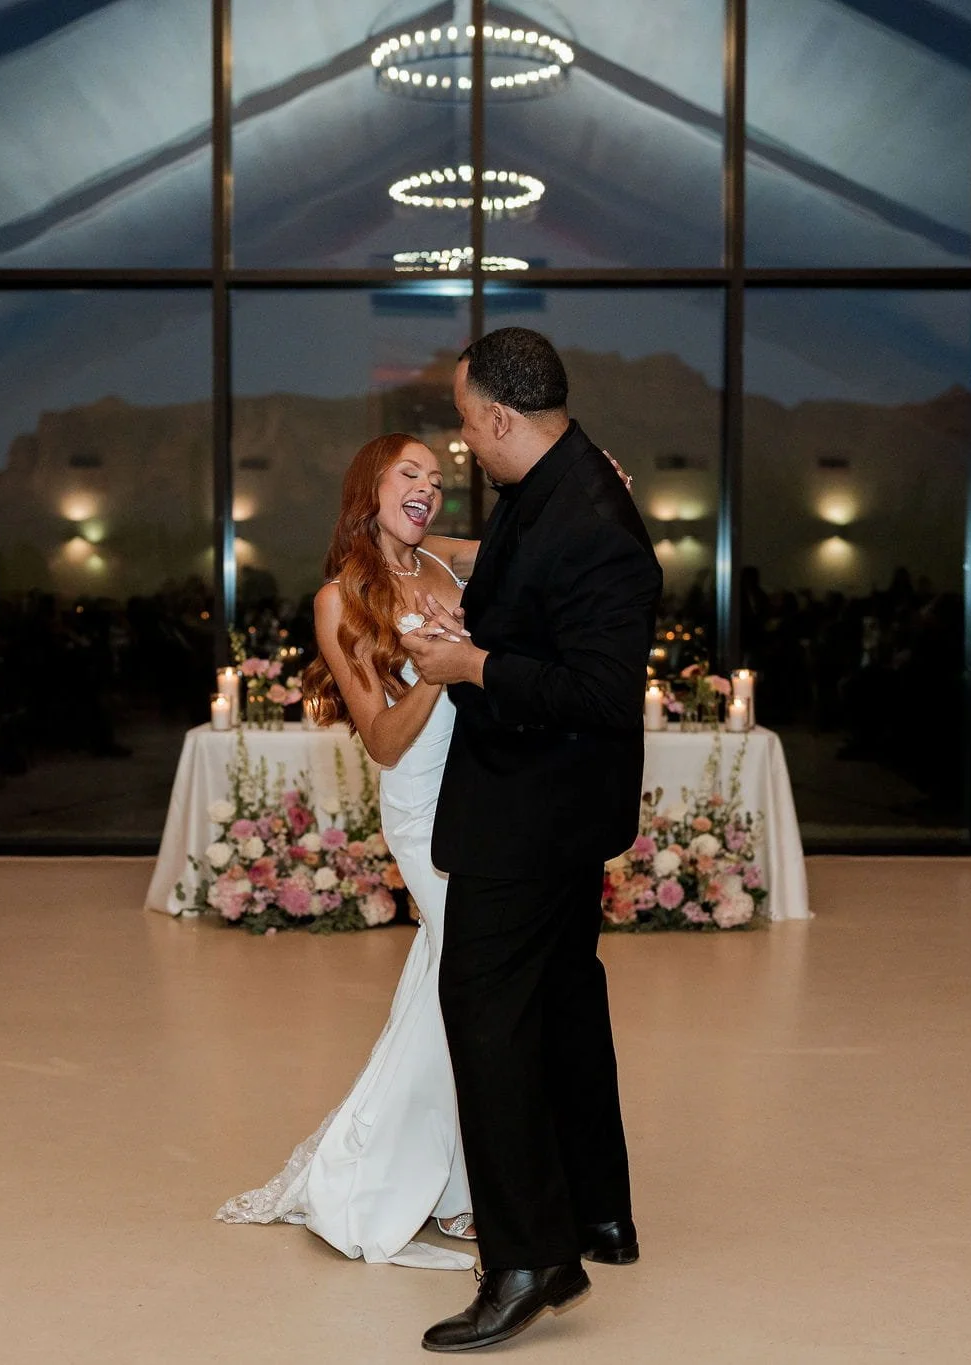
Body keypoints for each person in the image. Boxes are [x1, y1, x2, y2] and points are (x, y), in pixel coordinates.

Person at [401, 328, 662, 1352]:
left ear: (502, 418)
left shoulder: (590, 516)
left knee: (485, 1012)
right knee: (557, 1003)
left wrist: (468, 668)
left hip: (532, 808)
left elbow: (598, 694)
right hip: (551, 802)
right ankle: (597, 1208)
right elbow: (523, 589)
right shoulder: (563, 478)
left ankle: (527, 1257)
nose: (464, 443)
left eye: (467, 423)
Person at [216, 432, 484, 1270]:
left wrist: (590, 488)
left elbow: (527, 543)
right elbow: (381, 740)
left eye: (438, 479)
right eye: (411, 473)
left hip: (480, 791)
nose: (429, 489)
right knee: (473, 977)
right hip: (420, 806)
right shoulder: (341, 599)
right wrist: (439, 669)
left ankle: (454, 1182)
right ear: (371, 483)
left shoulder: (440, 565)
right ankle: (457, 1187)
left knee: (448, 986)